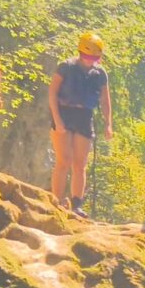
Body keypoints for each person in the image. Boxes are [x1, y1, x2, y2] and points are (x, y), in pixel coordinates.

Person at [48, 32, 112, 218]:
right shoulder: (66, 67)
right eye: (88, 57)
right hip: (64, 113)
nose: (91, 61)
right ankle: (56, 201)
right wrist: (57, 120)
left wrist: (108, 124)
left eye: (95, 58)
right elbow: (52, 93)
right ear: (80, 52)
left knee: (80, 164)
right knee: (63, 160)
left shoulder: (100, 74)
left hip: (84, 116)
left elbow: (105, 101)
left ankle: (76, 203)